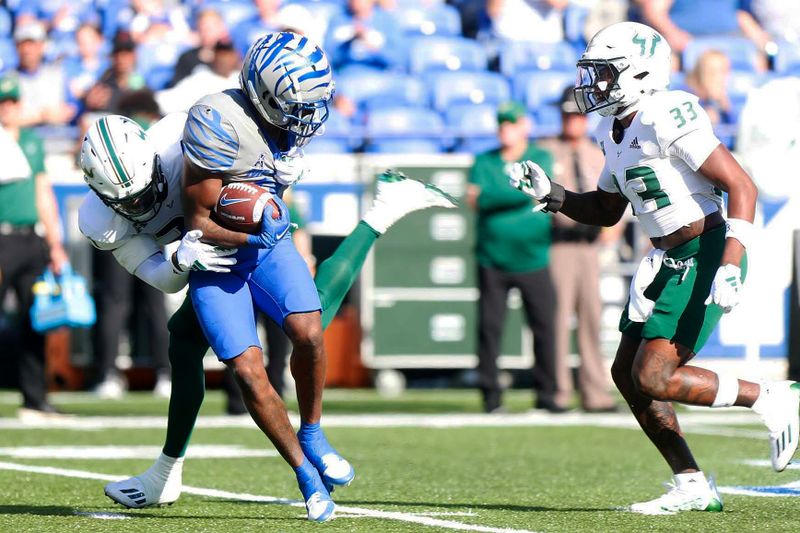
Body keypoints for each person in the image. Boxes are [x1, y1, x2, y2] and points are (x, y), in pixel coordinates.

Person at [83, 32, 454, 522]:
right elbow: (160, 272)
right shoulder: (100, 220)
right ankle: (168, 472)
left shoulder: (179, 138)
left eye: (147, 188)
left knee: (302, 323)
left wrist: (277, 186)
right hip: (201, 260)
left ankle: (170, 471)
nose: (141, 204)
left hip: (236, 236)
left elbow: (249, 182)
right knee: (194, 343)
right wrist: (179, 260)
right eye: (127, 203)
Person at [509, 21, 800, 514]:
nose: (593, 84)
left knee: (655, 376)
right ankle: (691, 482)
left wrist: (731, 263)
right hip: (663, 259)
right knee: (627, 374)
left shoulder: (667, 112)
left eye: (604, 73)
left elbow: (741, 187)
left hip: (705, 252)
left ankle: (770, 396)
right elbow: (605, 209)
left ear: (639, 73)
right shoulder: (614, 129)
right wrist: (552, 195)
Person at [466, 101, 561, 414]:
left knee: (545, 327)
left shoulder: (541, 156)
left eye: (512, 123)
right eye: (502, 123)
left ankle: (547, 396)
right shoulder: (484, 161)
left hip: (534, 256)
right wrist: (519, 190)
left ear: (524, 126)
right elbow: (476, 199)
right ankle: (491, 397)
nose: (506, 129)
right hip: (492, 257)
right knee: (490, 329)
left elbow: (540, 191)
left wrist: (501, 193)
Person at [537, 89, 618, 413]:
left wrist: (613, 230)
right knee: (556, 319)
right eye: (568, 116)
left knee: (591, 318)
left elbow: (614, 194)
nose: (573, 122)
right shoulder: (546, 151)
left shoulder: (596, 151)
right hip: (559, 244)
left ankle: (595, 392)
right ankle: (557, 391)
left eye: (578, 116)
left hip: (590, 245)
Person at [0, 74, 69, 420]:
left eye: (12, 102)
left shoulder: (30, 141)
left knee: (35, 317)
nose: (7, 108)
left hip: (30, 238)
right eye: (3, 102)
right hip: (1, 236)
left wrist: (54, 243)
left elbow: (43, 192)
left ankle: (34, 397)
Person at [14, 20, 75, 126]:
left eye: (32, 44)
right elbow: (8, 117)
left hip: (59, 138)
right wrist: (42, 116)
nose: (27, 50)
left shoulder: (57, 75)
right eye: (23, 45)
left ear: (42, 46)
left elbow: (72, 107)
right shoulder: (9, 79)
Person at [324, 0, 402, 71]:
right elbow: (329, 57)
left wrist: (372, 47)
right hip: (346, 75)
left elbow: (397, 58)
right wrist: (349, 42)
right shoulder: (338, 20)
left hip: (378, 75)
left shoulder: (387, 20)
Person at [168, 8, 228, 88]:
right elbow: (177, 88)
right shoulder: (187, 58)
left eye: (210, 28)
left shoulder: (232, 55)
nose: (206, 32)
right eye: (202, 28)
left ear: (221, 27)